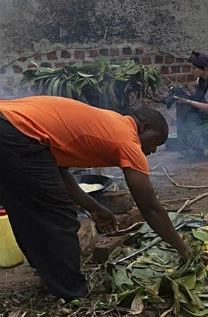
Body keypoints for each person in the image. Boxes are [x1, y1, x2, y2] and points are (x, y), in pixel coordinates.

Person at [0, 96, 195, 300]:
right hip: (15, 131)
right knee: (60, 215)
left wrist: (94, 207)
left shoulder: (111, 122)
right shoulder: (126, 140)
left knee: (28, 211)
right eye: (157, 142)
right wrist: (184, 250)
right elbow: (150, 208)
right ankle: (73, 295)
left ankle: (50, 277)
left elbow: (58, 172)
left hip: (10, 125)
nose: (154, 150)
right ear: (144, 128)